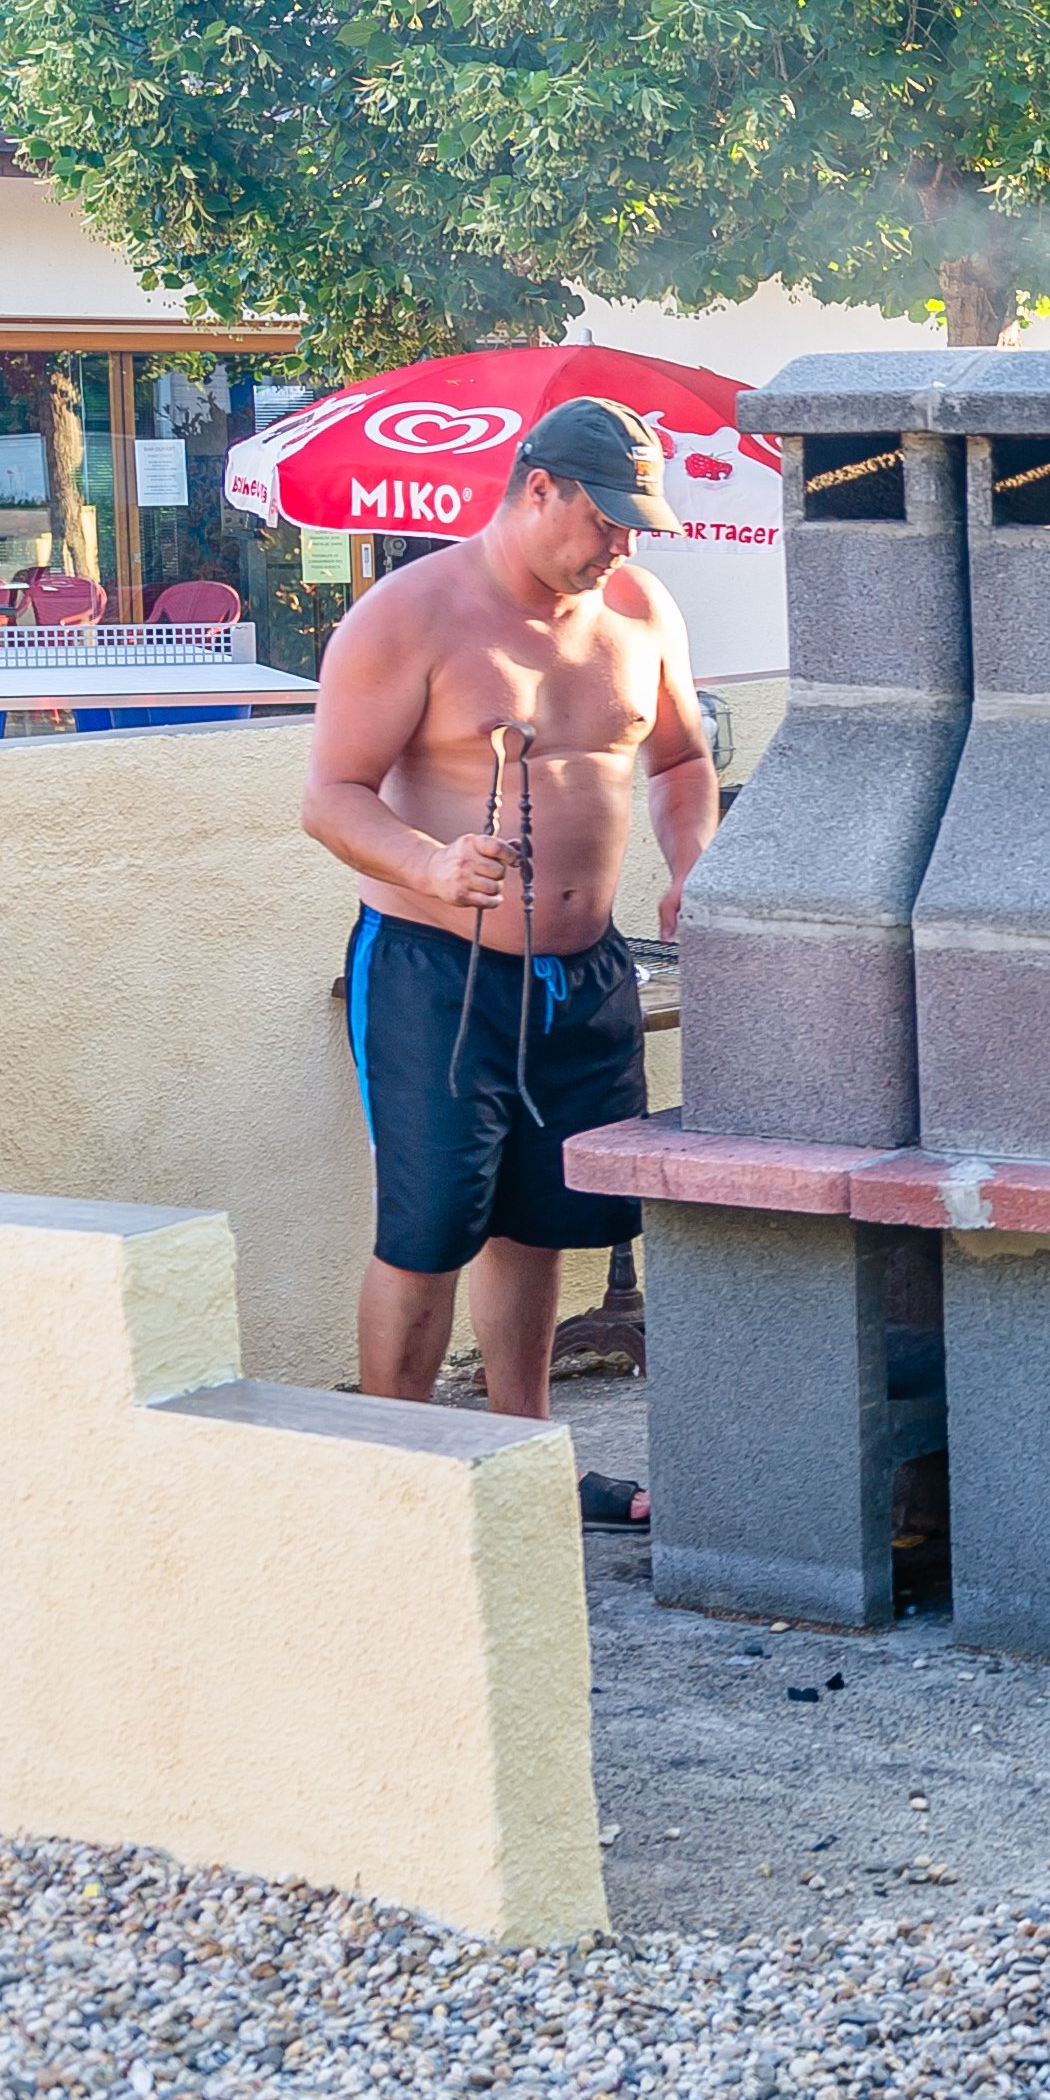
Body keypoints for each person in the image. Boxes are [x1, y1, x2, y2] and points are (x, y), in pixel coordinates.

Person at [303, 398, 717, 1524]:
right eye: (605, 519)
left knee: (538, 1221)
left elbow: (681, 761)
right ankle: (397, 1483)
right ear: (539, 488)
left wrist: (694, 868)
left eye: (634, 524)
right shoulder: (411, 615)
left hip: (581, 975)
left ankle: (522, 1466)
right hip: (435, 970)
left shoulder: (639, 608)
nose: (620, 543)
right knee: (429, 1225)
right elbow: (330, 796)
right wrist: (430, 864)